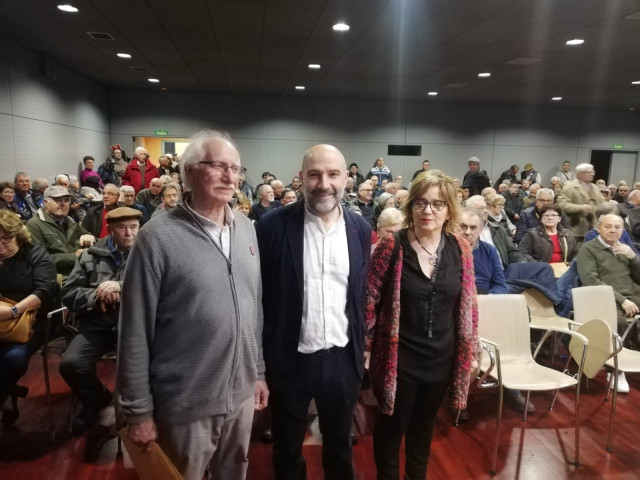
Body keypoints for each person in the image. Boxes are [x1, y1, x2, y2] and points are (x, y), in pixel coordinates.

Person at [118, 130, 268, 480]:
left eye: (235, 168)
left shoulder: (245, 228)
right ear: (189, 172)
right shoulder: (156, 238)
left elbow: (254, 307)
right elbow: (134, 330)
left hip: (242, 394)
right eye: (217, 166)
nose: (230, 176)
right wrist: (138, 411)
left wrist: (257, 372)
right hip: (187, 403)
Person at [257, 144, 371, 480]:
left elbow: (358, 295)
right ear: (301, 179)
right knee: (287, 449)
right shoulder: (271, 226)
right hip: (290, 361)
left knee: (339, 447)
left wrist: (361, 352)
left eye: (333, 174)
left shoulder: (359, 230)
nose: (324, 183)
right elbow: (259, 295)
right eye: (314, 174)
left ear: (346, 178)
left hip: (342, 360)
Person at [365, 170, 479, 479]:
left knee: (423, 426)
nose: (428, 211)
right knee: (391, 427)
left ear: (449, 210)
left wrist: (473, 351)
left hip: (442, 358)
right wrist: (365, 347)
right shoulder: (392, 246)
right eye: (421, 203)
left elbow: (468, 305)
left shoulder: (461, 248)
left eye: (437, 204)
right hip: (398, 358)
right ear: (410, 206)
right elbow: (370, 301)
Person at [59, 207, 141, 440]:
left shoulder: (148, 253)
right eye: (122, 228)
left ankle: (144, 411)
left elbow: (163, 288)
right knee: (71, 364)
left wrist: (122, 287)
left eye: (133, 227)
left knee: (156, 362)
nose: (128, 233)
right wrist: (95, 296)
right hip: (98, 325)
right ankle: (96, 400)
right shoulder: (90, 255)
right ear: (110, 229)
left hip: (135, 326)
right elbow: (68, 292)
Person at [0, 210, 57, 427]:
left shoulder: (35, 254)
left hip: (35, 318)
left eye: (6, 239)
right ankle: (7, 392)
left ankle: (5, 394)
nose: (1, 244)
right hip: (2, 320)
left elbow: (44, 292)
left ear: (18, 235)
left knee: (14, 356)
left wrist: (12, 311)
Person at [576, 213, 640, 392]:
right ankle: (615, 369)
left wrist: (633, 257)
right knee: (617, 323)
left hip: (632, 297)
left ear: (623, 229)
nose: (613, 230)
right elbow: (591, 281)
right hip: (601, 298)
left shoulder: (626, 249)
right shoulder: (588, 249)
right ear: (598, 228)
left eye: (617, 227)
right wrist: (623, 300)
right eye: (608, 226)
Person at [26, 186, 95, 278]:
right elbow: (39, 259)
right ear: (46, 203)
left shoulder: (70, 220)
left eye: (66, 200)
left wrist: (91, 238)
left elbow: (92, 239)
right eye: (58, 200)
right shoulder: (34, 224)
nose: (63, 204)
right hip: (57, 278)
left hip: (80, 273)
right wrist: (73, 256)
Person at [458, 207, 507, 295]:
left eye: (473, 228)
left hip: (485, 297)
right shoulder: (446, 249)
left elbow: (500, 285)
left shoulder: (489, 250)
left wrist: (490, 298)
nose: (467, 232)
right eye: (463, 226)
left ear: (481, 229)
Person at [557, 163, 604, 241]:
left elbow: (602, 203)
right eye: (589, 172)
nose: (592, 174)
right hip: (577, 229)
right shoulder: (570, 187)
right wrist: (580, 207)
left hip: (595, 228)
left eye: (593, 172)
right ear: (580, 173)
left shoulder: (595, 188)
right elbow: (561, 204)